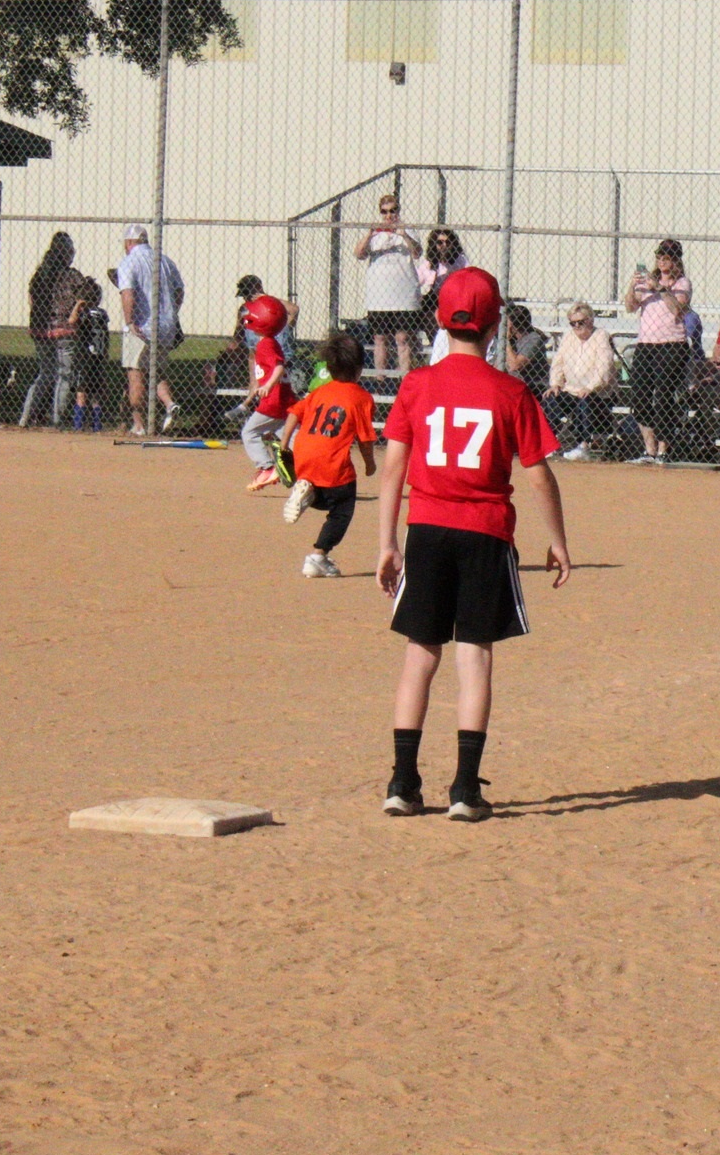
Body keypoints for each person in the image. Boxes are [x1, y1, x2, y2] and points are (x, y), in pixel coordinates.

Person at [376, 266, 571, 823]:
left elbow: (392, 472)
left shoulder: (416, 385)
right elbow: (538, 476)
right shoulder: (511, 391)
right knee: (475, 659)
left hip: (427, 530)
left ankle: (402, 781)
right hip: (485, 534)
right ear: (494, 326)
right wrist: (557, 541)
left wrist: (388, 541)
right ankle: (464, 788)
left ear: (442, 319)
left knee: (420, 654)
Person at [279, 333, 379, 578]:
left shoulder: (319, 392)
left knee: (327, 494)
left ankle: (307, 493)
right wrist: (370, 464)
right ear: (359, 369)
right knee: (342, 509)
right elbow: (365, 440)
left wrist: (284, 445)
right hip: (332, 462)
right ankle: (318, 556)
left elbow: (294, 413)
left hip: (304, 455)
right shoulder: (361, 398)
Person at [624, 237, 693, 465]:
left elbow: (678, 309)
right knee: (640, 395)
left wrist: (661, 289)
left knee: (663, 394)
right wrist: (632, 286)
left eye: (668, 257)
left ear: (676, 261)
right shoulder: (647, 281)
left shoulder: (682, 283)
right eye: (660, 256)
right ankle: (649, 449)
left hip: (672, 344)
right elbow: (629, 306)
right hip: (647, 344)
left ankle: (663, 449)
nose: (663, 261)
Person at [116, 224, 184, 435]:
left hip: (142, 326)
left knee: (135, 373)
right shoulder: (164, 260)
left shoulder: (129, 262)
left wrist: (130, 322)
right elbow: (179, 291)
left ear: (129, 243)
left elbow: (128, 293)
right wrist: (171, 312)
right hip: (165, 326)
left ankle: (140, 425)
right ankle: (169, 404)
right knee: (157, 372)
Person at [354, 192, 423, 380]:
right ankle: (380, 379)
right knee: (380, 338)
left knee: (402, 338)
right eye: (385, 212)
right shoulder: (375, 235)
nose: (389, 216)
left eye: (393, 211)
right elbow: (359, 254)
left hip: (403, 295)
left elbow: (417, 253)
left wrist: (404, 235)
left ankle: (404, 379)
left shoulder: (407, 230)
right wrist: (369, 234)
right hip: (379, 297)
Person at [18, 232, 80, 427]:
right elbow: (83, 298)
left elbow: (32, 299)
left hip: (40, 329)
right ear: (66, 253)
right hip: (63, 330)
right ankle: (57, 420)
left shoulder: (40, 274)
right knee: (64, 375)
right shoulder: (71, 276)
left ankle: (25, 418)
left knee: (46, 373)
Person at [545, 301, 619, 460]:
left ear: (590, 320)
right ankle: (550, 444)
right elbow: (558, 363)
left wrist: (590, 387)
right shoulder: (568, 336)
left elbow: (604, 367)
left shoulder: (600, 336)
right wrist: (556, 384)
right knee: (550, 398)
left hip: (598, 392)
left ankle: (583, 446)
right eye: (573, 323)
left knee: (584, 400)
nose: (577, 326)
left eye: (581, 322)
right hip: (570, 389)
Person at [240, 294, 297, 492]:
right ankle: (309, 469)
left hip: (273, 401)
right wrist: (260, 384)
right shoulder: (271, 342)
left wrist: (267, 386)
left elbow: (279, 368)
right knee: (289, 437)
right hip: (283, 400)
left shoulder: (265, 344)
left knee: (250, 433)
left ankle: (266, 467)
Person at [418, 228, 468, 363]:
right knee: (427, 305)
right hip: (434, 301)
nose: (444, 246)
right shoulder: (429, 264)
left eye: (448, 242)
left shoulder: (460, 261)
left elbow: (466, 279)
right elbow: (417, 281)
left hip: (454, 300)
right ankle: (436, 342)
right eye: (440, 243)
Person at [69, 278, 112, 431]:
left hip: (83, 358)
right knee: (95, 394)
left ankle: (78, 426)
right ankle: (97, 426)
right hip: (98, 358)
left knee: (81, 394)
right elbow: (105, 336)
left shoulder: (84, 313)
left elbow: (72, 322)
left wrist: (77, 306)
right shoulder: (102, 314)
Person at [502, 303, 548, 392]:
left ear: (513, 324)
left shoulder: (534, 339)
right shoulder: (513, 340)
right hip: (513, 384)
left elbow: (515, 365)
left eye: (506, 322)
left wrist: (506, 340)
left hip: (534, 386)